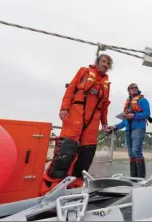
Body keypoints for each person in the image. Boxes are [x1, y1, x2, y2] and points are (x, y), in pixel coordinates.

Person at [41, 53, 113, 195]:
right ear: (97, 62)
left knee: (86, 155)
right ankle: (50, 188)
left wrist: (104, 123)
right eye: (103, 61)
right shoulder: (83, 72)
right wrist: (64, 108)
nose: (105, 64)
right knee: (65, 151)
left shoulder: (107, 84)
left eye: (108, 63)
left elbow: (104, 105)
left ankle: (76, 187)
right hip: (76, 114)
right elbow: (71, 89)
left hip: (93, 121)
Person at [108, 83, 151, 178]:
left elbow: (147, 114)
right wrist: (115, 126)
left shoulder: (143, 100)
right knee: (131, 154)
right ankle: (133, 178)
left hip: (138, 128)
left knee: (136, 151)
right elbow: (125, 121)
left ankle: (141, 178)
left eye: (136, 87)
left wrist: (134, 116)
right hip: (128, 130)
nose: (134, 88)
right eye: (132, 88)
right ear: (129, 90)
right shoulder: (127, 104)